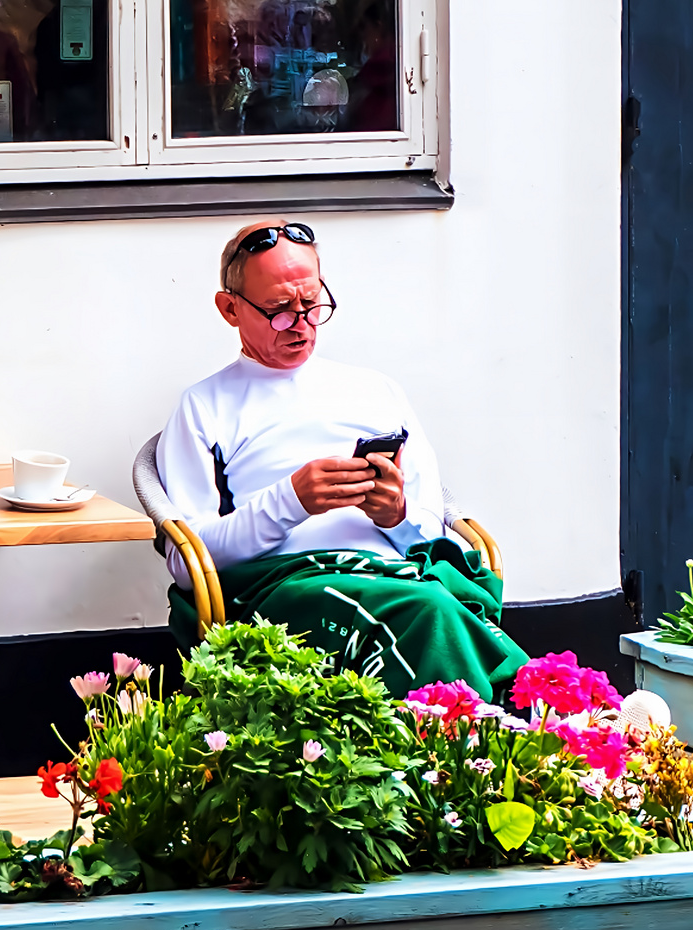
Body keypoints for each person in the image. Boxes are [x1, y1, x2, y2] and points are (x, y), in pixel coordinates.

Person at [156, 219, 526, 698]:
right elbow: (190, 560)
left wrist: (397, 515)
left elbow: (434, 528)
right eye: (278, 310)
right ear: (230, 309)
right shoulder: (204, 406)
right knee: (431, 611)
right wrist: (291, 500)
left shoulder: (375, 391)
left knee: (431, 602)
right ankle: (531, 733)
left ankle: (512, 735)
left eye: (311, 304)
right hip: (288, 585)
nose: (301, 324)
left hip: (394, 574)